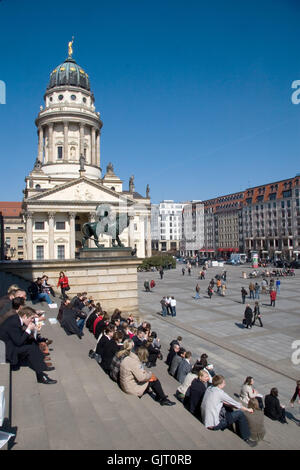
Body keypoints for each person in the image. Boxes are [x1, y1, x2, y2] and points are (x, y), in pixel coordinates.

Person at [0, 307, 57, 384]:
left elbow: (18, 337)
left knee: (32, 341)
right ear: (24, 316)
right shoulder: (13, 323)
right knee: (31, 349)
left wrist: (30, 332)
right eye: (31, 318)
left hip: (9, 344)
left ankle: (42, 365)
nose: (32, 320)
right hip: (6, 351)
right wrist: (29, 329)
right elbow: (19, 342)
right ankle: (41, 376)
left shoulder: (17, 318)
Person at [201, 375, 257, 447]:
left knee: (229, 408)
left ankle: (237, 427)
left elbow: (226, 402)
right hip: (214, 425)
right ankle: (246, 438)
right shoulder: (220, 393)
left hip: (205, 420)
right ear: (220, 384)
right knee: (240, 414)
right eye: (224, 383)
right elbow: (236, 404)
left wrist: (233, 405)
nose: (225, 384)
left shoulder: (210, 388)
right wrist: (248, 409)